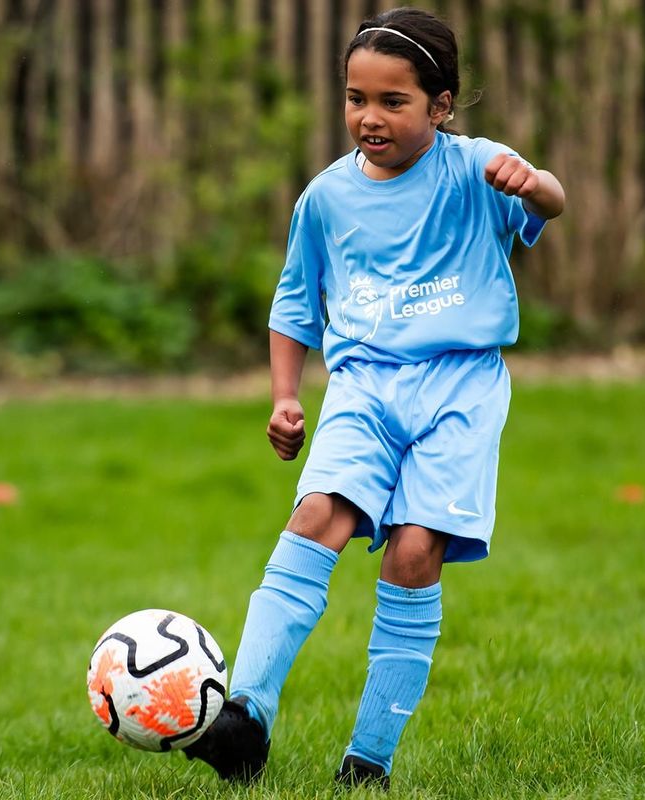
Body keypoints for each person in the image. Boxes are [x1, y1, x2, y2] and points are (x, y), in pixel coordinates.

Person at [183, 6, 565, 790]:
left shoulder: (477, 168)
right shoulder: (324, 199)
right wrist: (286, 397)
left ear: (441, 105)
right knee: (316, 514)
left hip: (461, 387)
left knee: (415, 552)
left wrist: (533, 184)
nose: (369, 117)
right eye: (356, 98)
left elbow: (549, 203)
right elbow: (294, 307)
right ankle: (245, 716)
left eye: (394, 101)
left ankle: (369, 761)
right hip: (362, 385)